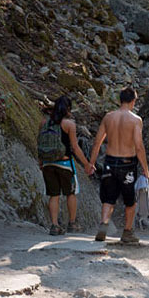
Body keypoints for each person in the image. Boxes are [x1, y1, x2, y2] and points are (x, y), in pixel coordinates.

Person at [87, 87, 149, 243]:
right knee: (130, 201)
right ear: (133, 101)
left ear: (120, 99)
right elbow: (139, 146)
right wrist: (145, 168)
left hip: (109, 162)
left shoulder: (109, 118)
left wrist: (91, 163)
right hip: (127, 164)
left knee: (108, 198)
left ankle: (103, 226)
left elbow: (97, 142)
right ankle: (127, 232)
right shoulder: (136, 120)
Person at [39, 96, 92, 235]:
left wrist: (41, 162)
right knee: (71, 193)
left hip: (47, 164)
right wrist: (87, 164)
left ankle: (54, 225)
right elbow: (75, 147)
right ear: (68, 109)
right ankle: (72, 223)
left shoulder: (44, 122)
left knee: (54, 195)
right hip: (64, 164)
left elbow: (40, 143)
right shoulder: (69, 124)